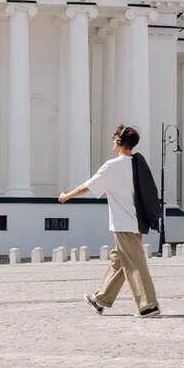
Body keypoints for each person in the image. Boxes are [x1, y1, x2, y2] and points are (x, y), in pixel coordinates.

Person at [59, 124, 162, 317]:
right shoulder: (136, 163)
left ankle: (148, 305)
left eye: (114, 138)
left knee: (135, 264)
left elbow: (87, 187)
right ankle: (101, 299)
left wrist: (67, 196)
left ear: (120, 141)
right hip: (136, 222)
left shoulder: (112, 166)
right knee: (120, 261)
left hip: (124, 224)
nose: (112, 142)